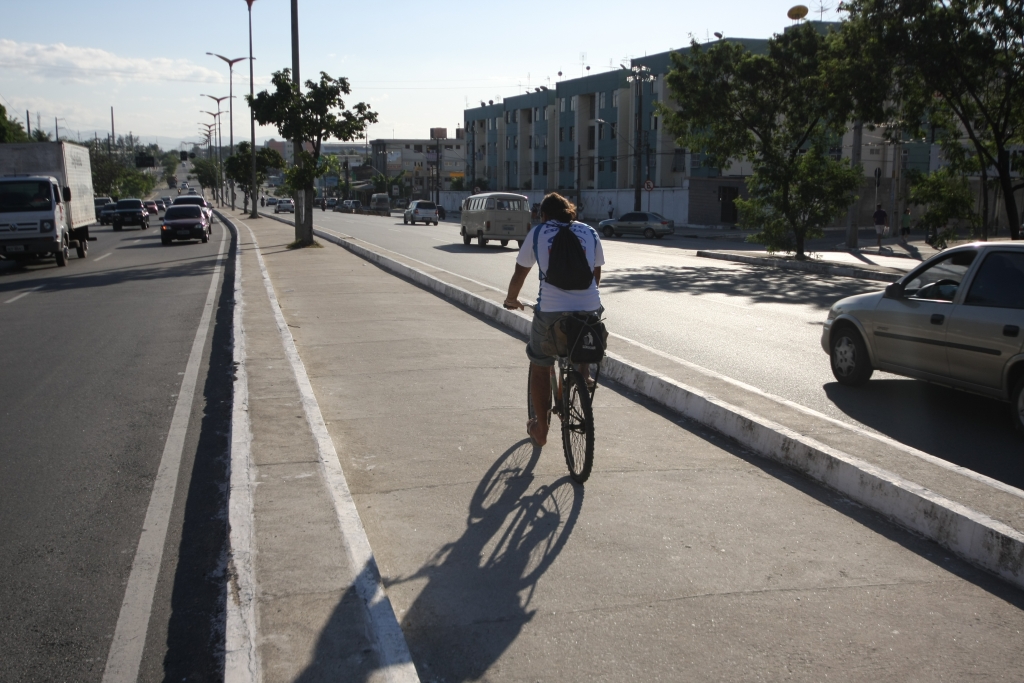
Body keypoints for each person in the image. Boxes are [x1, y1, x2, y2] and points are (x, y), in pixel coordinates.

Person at [503, 193, 604, 447]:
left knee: (540, 362)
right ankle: (583, 369)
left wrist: (511, 299)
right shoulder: (590, 232)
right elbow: (596, 275)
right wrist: (583, 302)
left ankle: (541, 429)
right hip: (589, 309)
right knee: (584, 327)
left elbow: (520, 274)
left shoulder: (538, 233)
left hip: (550, 312)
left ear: (543, 215)